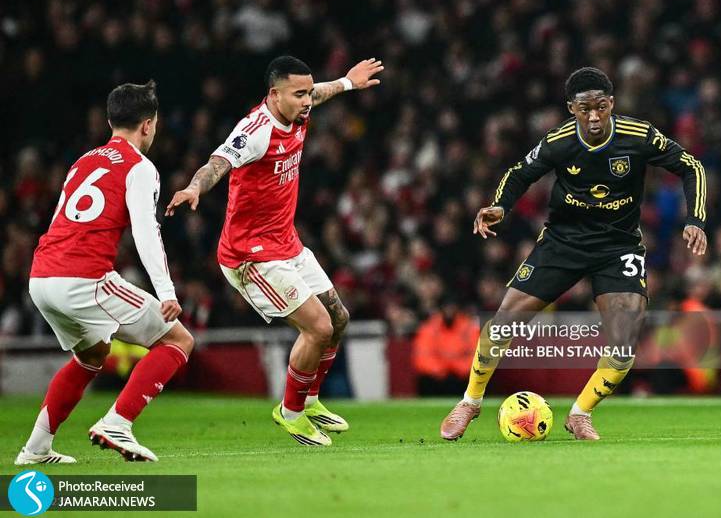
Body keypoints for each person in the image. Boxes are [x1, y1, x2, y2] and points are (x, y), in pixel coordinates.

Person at [440, 67, 707, 441]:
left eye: (601, 107)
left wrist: (696, 219)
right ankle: (470, 401)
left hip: (618, 246)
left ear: (611, 103)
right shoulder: (559, 141)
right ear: (572, 109)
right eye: (585, 109)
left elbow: (691, 166)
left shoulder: (639, 135)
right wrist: (501, 205)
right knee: (502, 324)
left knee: (624, 345)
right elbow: (520, 173)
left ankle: (580, 413)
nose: (594, 116)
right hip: (563, 242)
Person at [166, 56, 383, 446]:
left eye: (308, 93)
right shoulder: (255, 131)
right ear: (274, 94)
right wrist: (195, 187)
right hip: (251, 257)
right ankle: (291, 412)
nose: (307, 101)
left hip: (286, 242)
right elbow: (217, 163)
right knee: (318, 327)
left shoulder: (299, 109)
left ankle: (310, 400)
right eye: (299, 94)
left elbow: (321, 92)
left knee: (338, 319)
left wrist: (348, 82)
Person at [17, 81, 193, 464]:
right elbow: (146, 232)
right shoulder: (140, 167)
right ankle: (118, 423)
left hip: (42, 277)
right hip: (83, 279)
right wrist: (166, 291)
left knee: (92, 355)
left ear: (111, 121)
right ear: (148, 125)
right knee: (178, 340)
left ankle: (35, 449)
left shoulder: (84, 161)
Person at [412, 299, 480, 395]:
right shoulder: (429, 327)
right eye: (446, 307)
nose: (449, 311)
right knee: (426, 380)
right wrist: (441, 369)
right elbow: (422, 357)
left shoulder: (469, 328)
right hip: (436, 377)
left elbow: (477, 356)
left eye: (452, 308)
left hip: (462, 377)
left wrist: (457, 368)